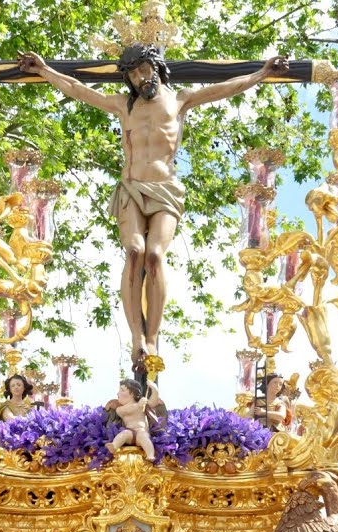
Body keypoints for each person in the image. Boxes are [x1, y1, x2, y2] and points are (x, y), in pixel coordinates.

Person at [17, 47, 288, 369]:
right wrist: (45, 70)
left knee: (155, 256)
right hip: (131, 187)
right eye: (132, 74)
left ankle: (153, 337)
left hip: (166, 190)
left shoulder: (180, 100)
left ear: (156, 68)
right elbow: (79, 90)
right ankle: (136, 337)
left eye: (143, 69)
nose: (139, 77)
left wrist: (262, 73)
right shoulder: (123, 104)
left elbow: (226, 87)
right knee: (134, 251)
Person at [106, 379, 164, 460]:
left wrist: (154, 389)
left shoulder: (143, 405)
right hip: (130, 432)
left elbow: (153, 402)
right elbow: (126, 410)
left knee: (144, 438)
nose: (118, 393)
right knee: (124, 434)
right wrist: (138, 405)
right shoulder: (120, 409)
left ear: (132, 393)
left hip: (142, 431)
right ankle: (114, 446)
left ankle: (150, 455)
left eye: (122, 390)